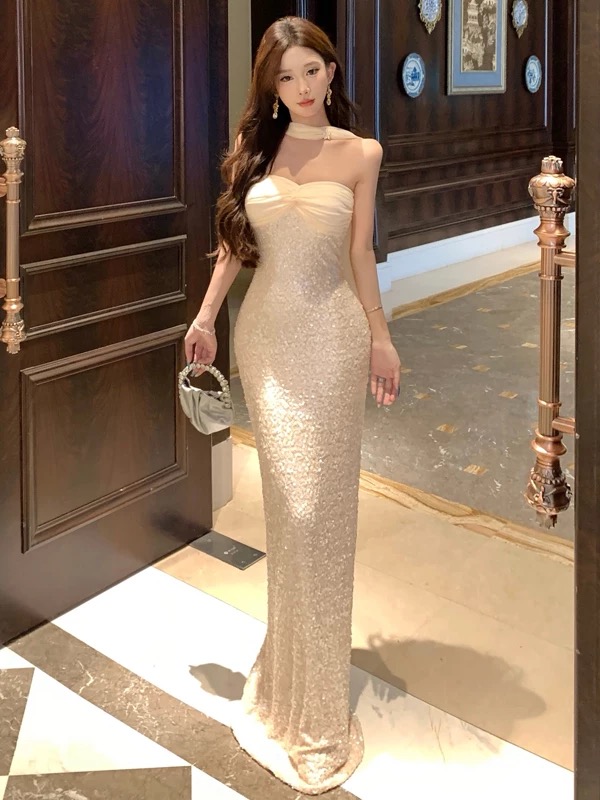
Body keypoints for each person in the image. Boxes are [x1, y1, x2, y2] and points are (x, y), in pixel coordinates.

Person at [184, 16, 401, 796]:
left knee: (321, 514)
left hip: (335, 338)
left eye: (312, 70)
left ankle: (313, 697)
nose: (302, 87)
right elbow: (232, 245)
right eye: (286, 77)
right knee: (292, 512)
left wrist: (381, 336)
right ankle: (287, 684)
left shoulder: (362, 153)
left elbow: (360, 252)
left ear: (331, 70)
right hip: (269, 340)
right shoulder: (258, 148)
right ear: (271, 87)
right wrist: (206, 317)